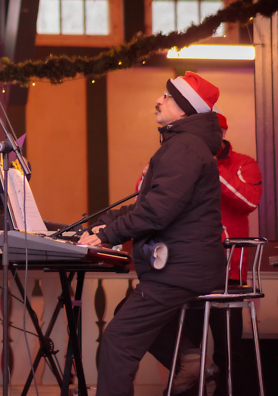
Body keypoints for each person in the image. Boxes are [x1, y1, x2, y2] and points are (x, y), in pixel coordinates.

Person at [79, 72, 225, 396]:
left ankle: (190, 361)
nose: (158, 101)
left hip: (181, 270)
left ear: (185, 109)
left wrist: (108, 236)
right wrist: (101, 226)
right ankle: (190, 359)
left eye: (168, 97)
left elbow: (158, 211)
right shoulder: (184, 145)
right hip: (186, 266)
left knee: (118, 341)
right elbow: (149, 205)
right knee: (123, 317)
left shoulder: (184, 147)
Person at [209, 107, 263, 396]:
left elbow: (248, 201)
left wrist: (209, 167)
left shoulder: (244, 164)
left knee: (228, 352)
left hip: (228, 271)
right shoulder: (180, 163)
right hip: (185, 268)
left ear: (223, 133)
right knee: (184, 347)